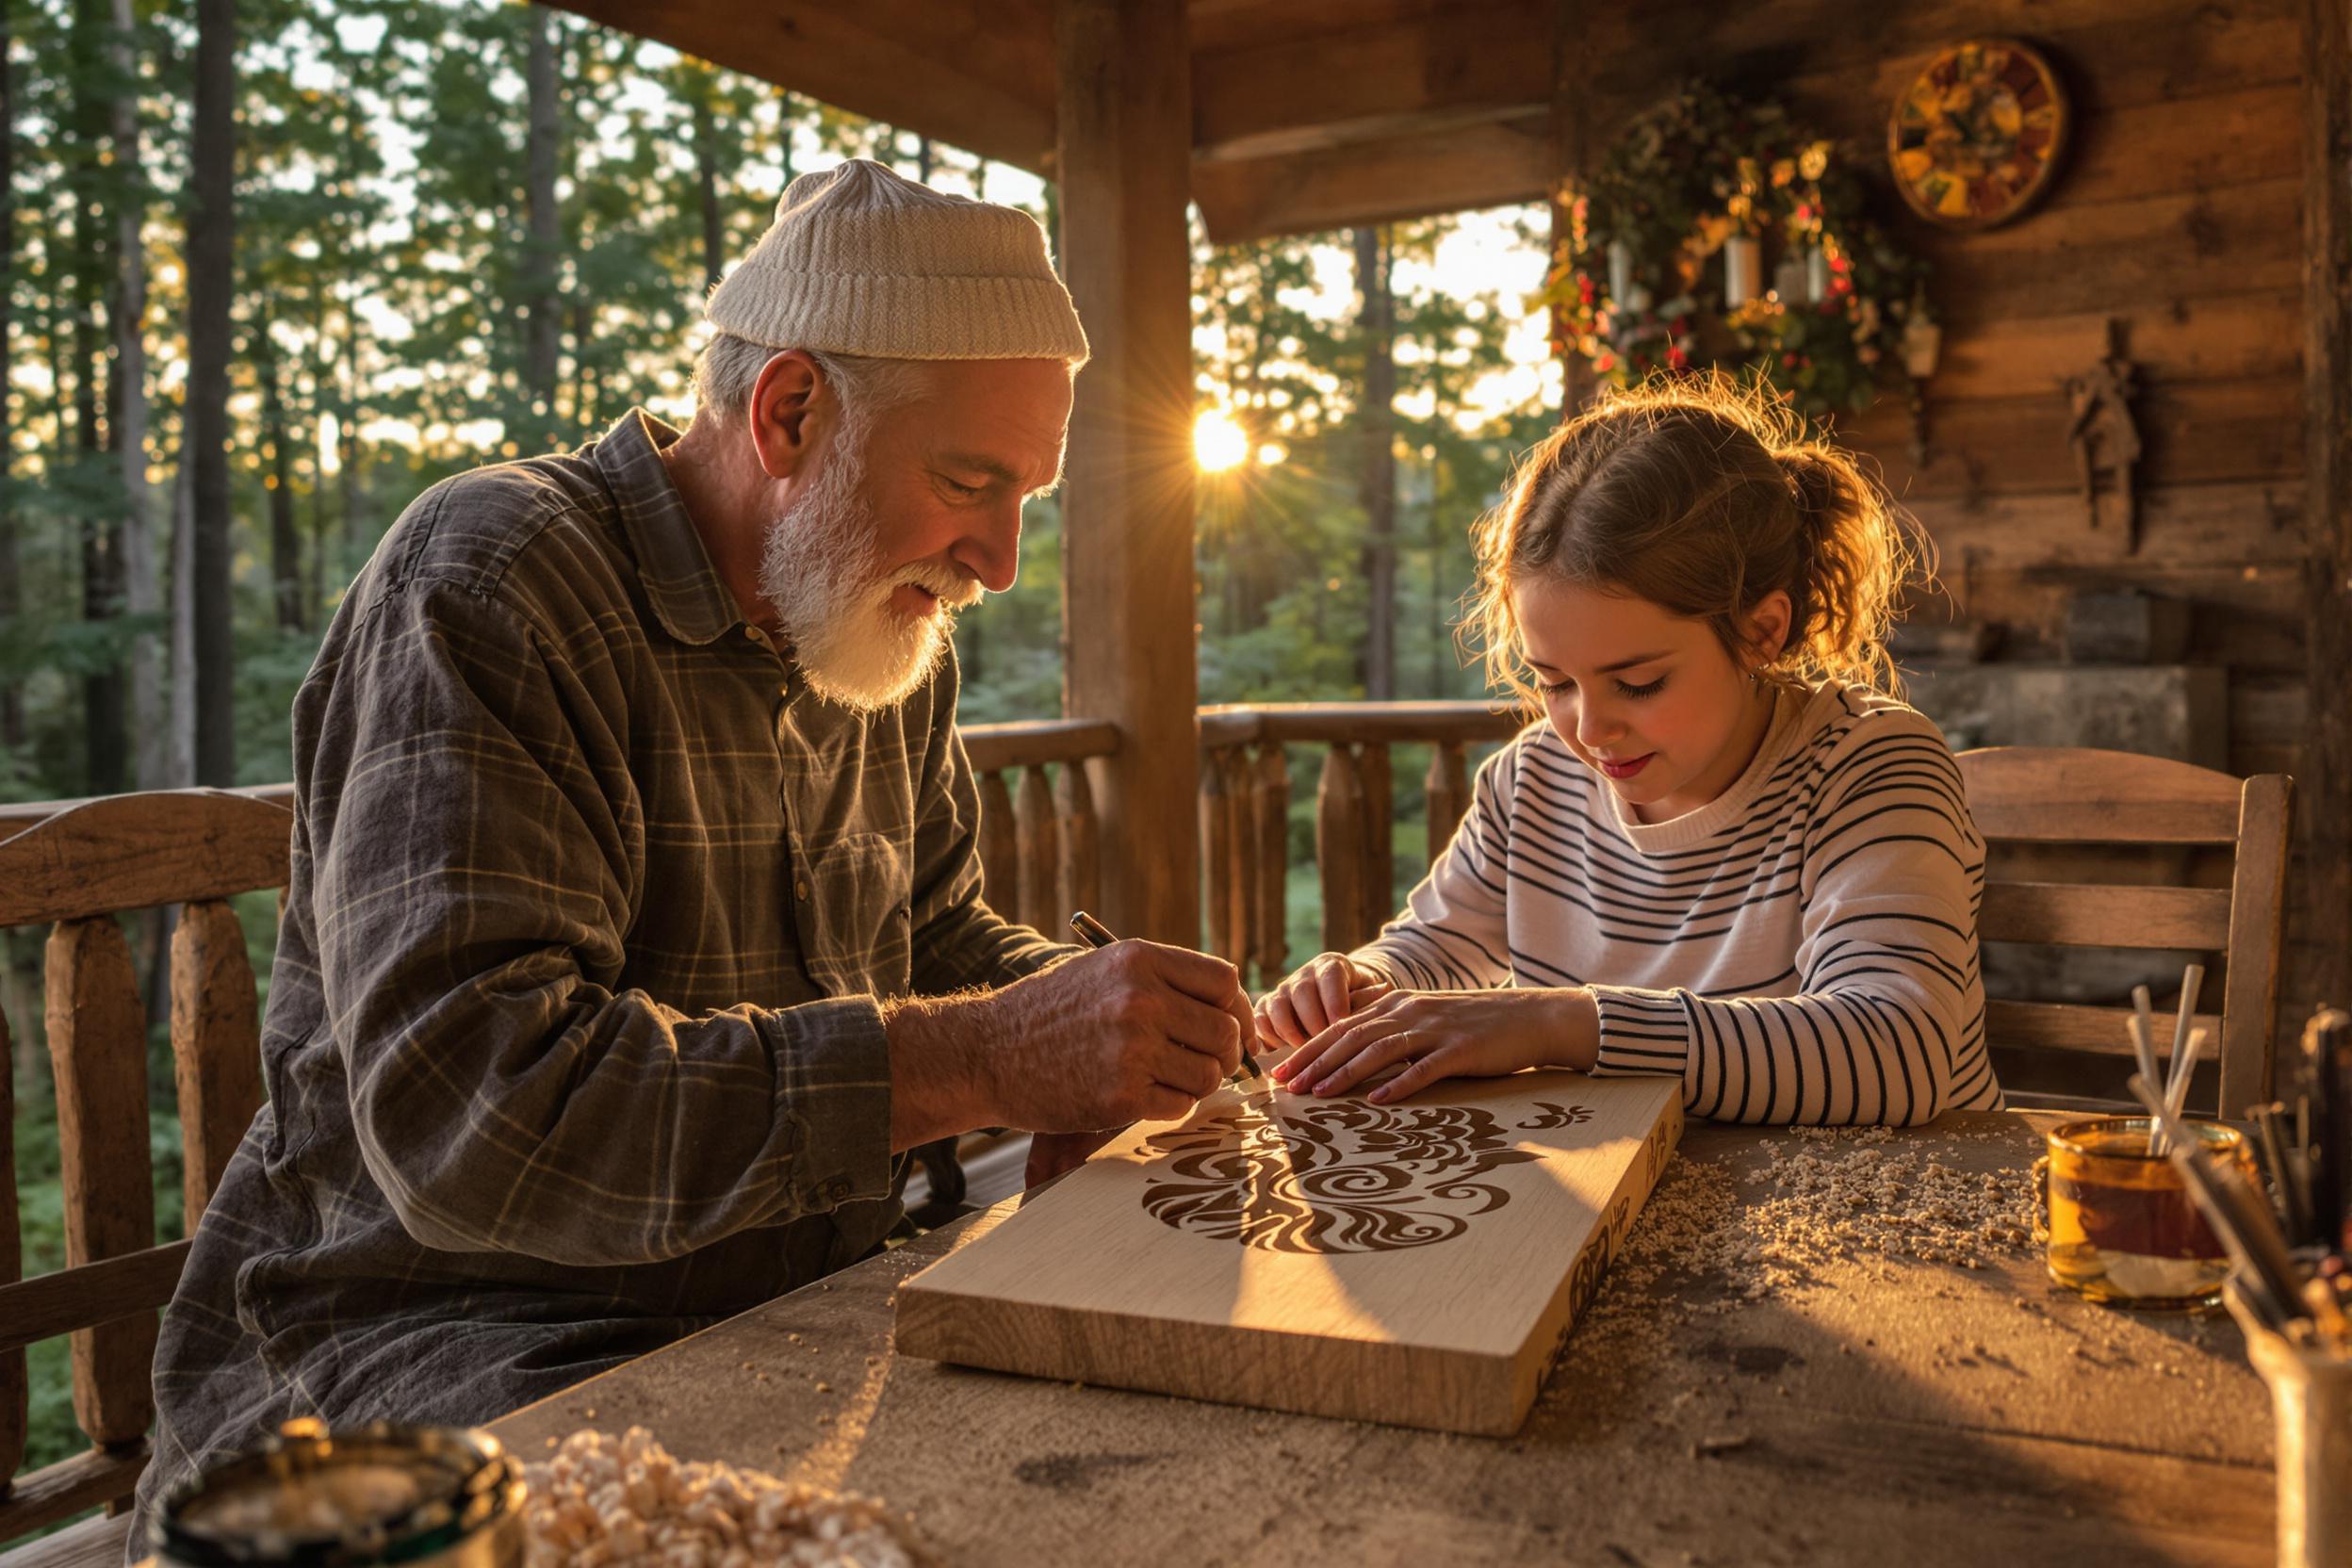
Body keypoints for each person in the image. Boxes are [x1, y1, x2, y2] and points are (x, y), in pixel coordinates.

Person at [137, 159, 1253, 1523]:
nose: (1002, 559)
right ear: (790, 411)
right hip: (421, 1349)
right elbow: (474, 1110)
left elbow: (945, 937)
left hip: (776, 1303)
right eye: (971, 480)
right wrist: (993, 1057)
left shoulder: (882, 635)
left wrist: (1119, 1036)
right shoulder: (494, 579)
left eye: (1030, 495)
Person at [1256, 377, 1998, 1126]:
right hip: (1631, 1206)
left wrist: (1556, 1024)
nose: (1587, 728)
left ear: (1762, 632)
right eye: (1554, 682)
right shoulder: (1533, 779)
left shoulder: (1870, 766)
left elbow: (1900, 1051)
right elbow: (1439, 946)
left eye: (1638, 683)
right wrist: (1358, 987)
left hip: (1874, 1217)